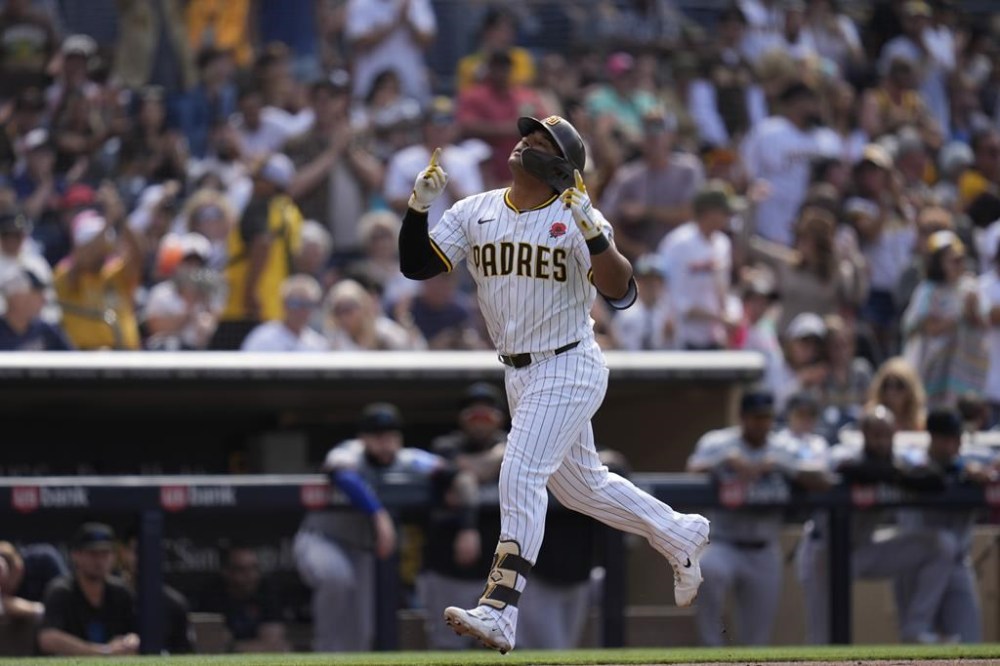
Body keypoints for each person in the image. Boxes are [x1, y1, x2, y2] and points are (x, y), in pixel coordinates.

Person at [398, 114, 710, 653]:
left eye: (540, 141)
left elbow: (621, 291)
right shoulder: (475, 210)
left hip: (568, 362)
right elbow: (417, 266)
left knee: (519, 472)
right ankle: (679, 531)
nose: (525, 143)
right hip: (519, 371)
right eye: (526, 135)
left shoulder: (576, 214)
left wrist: (593, 231)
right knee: (581, 488)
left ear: (560, 165)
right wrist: (417, 209)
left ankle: (500, 608)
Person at [293, 403, 480, 652]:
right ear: (363, 438)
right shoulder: (348, 452)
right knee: (335, 577)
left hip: (363, 550)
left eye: (391, 435)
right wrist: (378, 515)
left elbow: (459, 476)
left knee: (362, 633)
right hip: (323, 538)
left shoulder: (410, 459)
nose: (386, 442)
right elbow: (342, 475)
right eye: (377, 435)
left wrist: (467, 526)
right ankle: (323, 653)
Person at [798, 405, 958, 644]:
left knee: (941, 545)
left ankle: (915, 629)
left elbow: (935, 478)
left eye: (887, 435)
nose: (882, 442)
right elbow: (843, 470)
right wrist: (895, 475)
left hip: (864, 549)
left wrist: (895, 475)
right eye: (876, 435)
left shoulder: (900, 459)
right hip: (824, 553)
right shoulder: (844, 453)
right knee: (823, 640)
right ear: (864, 434)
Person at [686, 389, 829, 646]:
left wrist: (780, 465)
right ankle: (711, 651)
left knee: (756, 640)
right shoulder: (719, 443)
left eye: (767, 417)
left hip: (764, 549)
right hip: (724, 543)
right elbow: (691, 471)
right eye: (756, 417)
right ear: (742, 417)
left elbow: (822, 477)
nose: (762, 423)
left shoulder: (784, 447)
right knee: (707, 568)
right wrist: (723, 461)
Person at [895, 408, 997, 643]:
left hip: (957, 565)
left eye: (957, 437)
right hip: (918, 567)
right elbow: (912, 469)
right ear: (932, 437)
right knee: (917, 644)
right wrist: (962, 470)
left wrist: (982, 471)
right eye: (947, 438)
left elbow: (992, 465)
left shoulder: (970, 460)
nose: (954, 444)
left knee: (969, 643)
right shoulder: (914, 460)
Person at [420, 383, 507, 649]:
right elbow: (470, 471)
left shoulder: (514, 444)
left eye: (486, 415)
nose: (480, 422)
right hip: (449, 567)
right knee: (448, 647)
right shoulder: (445, 446)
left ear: (499, 418)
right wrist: (501, 455)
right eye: (474, 415)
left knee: (499, 647)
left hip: (497, 571)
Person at [212, 153, 303, 350]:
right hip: (275, 306)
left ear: (271, 183)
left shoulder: (259, 206)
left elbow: (262, 243)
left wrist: (250, 291)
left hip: (245, 307)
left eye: (258, 179)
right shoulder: (291, 212)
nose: (254, 184)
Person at [902, 230, 988, 408]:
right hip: (933, 368)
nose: (960, 265)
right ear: (938, 263)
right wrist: (960, 315)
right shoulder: (928, 291)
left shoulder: (970, 287)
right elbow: (930, 327)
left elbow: (982, 324)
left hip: (963, 370)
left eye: (961, 259)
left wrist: (972, 309)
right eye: (954, 260)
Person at [37, 523, 140, 656]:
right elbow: (47, 639)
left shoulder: (121, 592)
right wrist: (103, 651)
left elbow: (136, 633)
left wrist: (130, 641)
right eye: (93, 554)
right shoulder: (61, 591)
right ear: (76, 555)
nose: (99, 561)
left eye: (105, 553)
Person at [657, 181, 737, 351]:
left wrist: (727, 315)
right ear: (708, 212)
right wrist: (718, 317)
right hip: (682, 335)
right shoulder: (679, 243)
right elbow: (674, 297)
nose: (728, 217)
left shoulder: (723, 243)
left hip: (713, 335)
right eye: (724, 212)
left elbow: (723, 289)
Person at [197, 543, 289, 653]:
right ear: (226, 572)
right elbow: (210, 646)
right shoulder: (211, 595)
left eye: (254, 568)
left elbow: (273, 646)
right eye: (242, 570)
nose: (251, 575)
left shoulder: (267, 591)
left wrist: (232, 646)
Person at [115, 532, 193, 654]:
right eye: (136, 551)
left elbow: (185, 651)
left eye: (149, 551)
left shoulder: (174, 604)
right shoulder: (110, 595)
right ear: (123, 552)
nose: (143, 557)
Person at [240, 274, 327, 352]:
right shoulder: (261, 338)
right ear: (284, 304)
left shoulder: (318, 345)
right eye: (295, 303)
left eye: (307, 304)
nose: (301, 310)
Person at [0, 261, 72, 351]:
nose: (43, 300)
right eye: (36, 293)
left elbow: (73, 357)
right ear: (17, 298)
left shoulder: (45, 330)